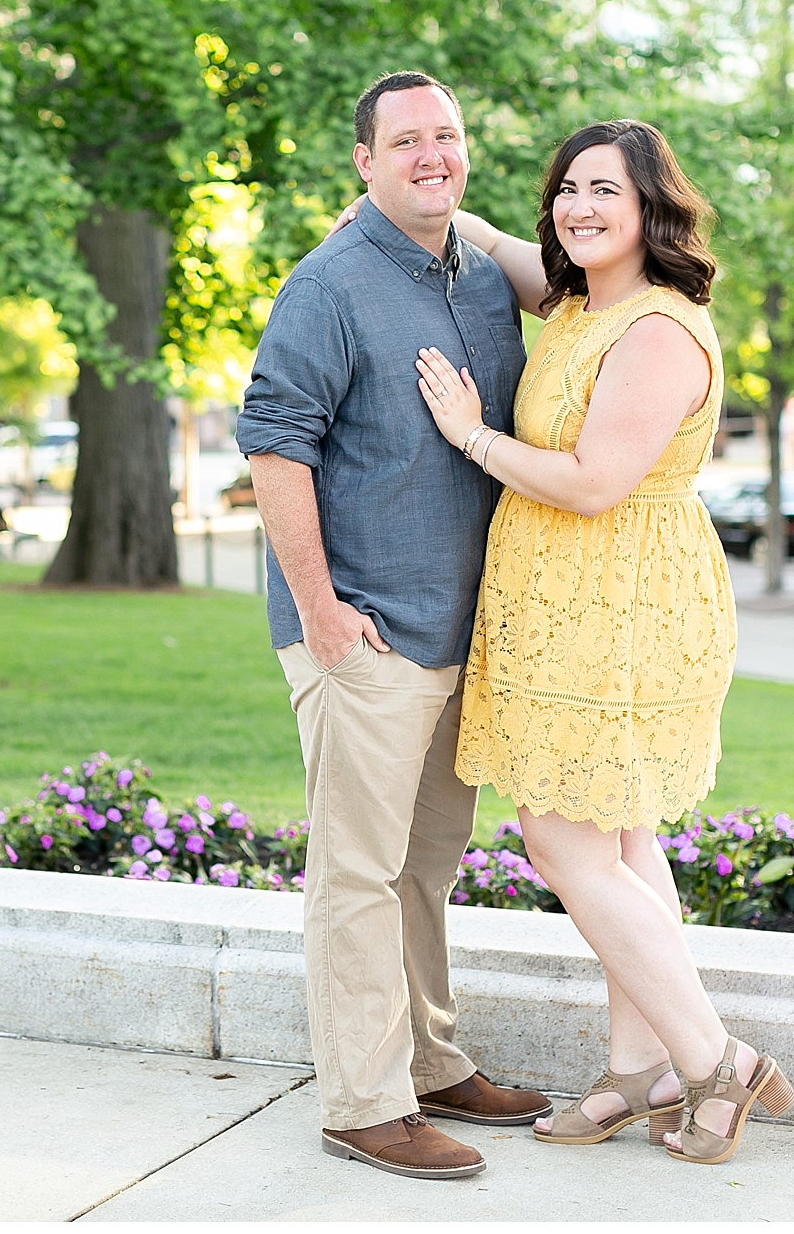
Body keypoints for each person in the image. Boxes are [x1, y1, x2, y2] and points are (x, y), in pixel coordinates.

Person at [410, 119, 794, 1164]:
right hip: (559, 603)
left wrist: (469, 436)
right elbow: (514, 256)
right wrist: (437, 211)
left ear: (649, 211)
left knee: (563, 842)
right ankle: (639, 1073)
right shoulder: (581, 301)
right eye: (568, 189)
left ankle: (717, 1061)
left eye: (605, 194)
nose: (580, 207)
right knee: (620, 841)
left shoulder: (659, 332)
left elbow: (592, 482)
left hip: (623, 608)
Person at [235, 71, 552, 1182]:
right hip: (363, 633)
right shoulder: (327, 284)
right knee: (357, 875)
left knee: (423, 867)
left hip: (460, 633)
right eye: (405, 141)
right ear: (361, 163)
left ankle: (426, 1062)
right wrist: (320, 612)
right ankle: (361, 1102)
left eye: (448, 137)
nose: (431, 154)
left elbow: (572, 287)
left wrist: (459, 214)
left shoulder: (476, 275)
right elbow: (276, 446)